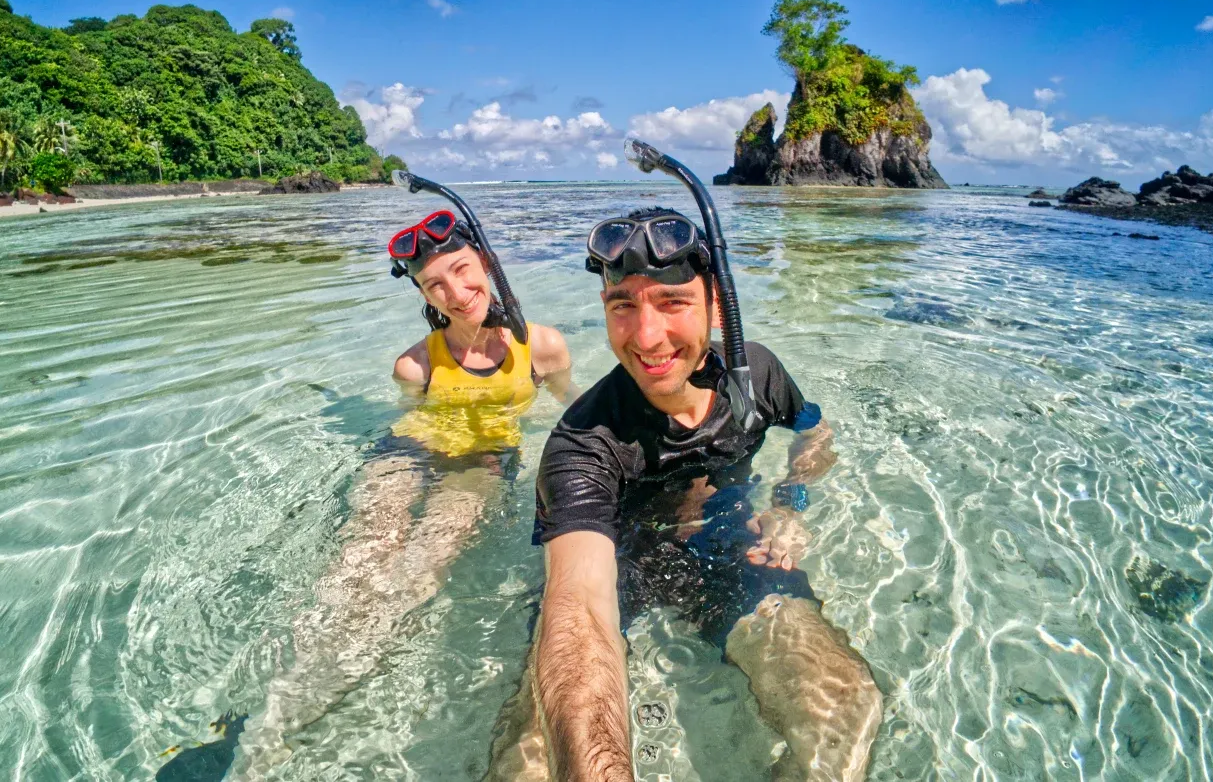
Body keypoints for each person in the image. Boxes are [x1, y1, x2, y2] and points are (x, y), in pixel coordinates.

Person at [487, 204, 882, 782]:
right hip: (620, 563)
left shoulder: (759, 376)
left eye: (673, 302)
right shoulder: (582, 440)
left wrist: (789, 502)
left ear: (716, 304)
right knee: (534, 758)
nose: (647, 337)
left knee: (847, 705)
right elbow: (581, 603)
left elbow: (814, 434)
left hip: (728, 547)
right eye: (623, 306)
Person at [228, 208, 572, 778]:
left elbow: (574, 406)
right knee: (356, 562)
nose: (457, 293)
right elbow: (414, 423)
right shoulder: (413, 365)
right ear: (422, 293)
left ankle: (296, 712)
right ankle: (274, 703)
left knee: (415, 572)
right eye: (435, 284)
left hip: (481, 465)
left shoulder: (543, 347)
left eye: (463, 271)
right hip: (405, 455)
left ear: (484, 262)